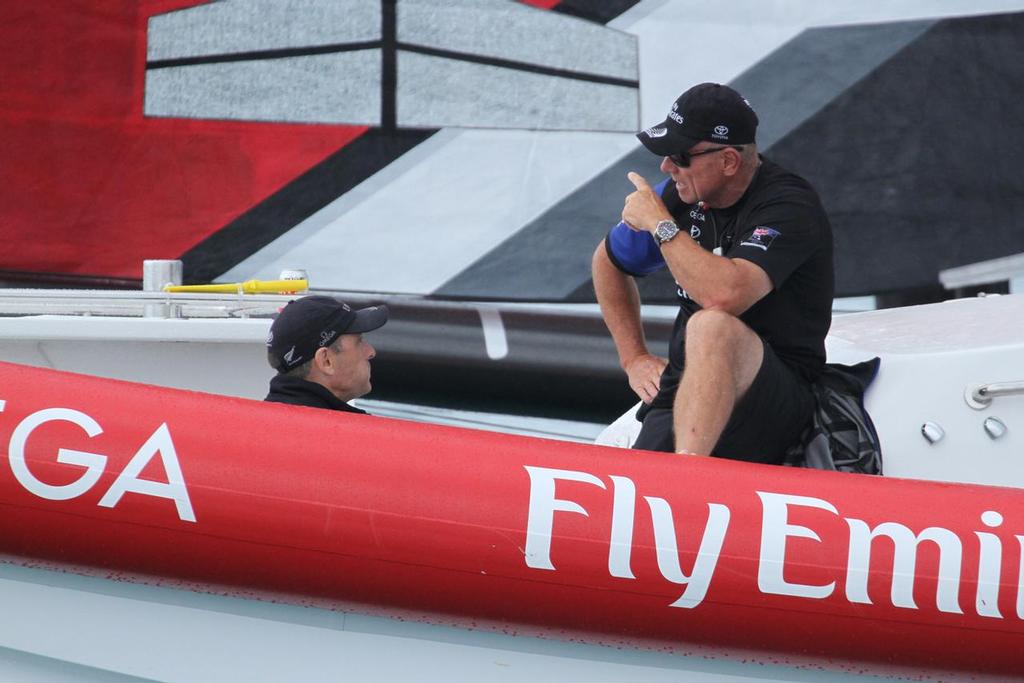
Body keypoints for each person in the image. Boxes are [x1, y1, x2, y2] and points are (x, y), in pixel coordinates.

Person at [592, 82, 834, 464]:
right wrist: (634, 358)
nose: (667, 166)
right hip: (684, 387)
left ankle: (686, 480)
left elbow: (726, 295)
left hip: (774, 398)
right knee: (628, 490)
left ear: (728, 162)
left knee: (710, 324)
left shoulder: (789, 206)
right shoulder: (681, 192)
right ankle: (678, 478)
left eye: (679, 156)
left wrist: (660, 224)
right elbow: (606, 263)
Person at [264, 295, 388, 413]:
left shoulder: (256, 421)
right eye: (359, 342)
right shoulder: (348, 432)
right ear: (326, 361)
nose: (371, 352)